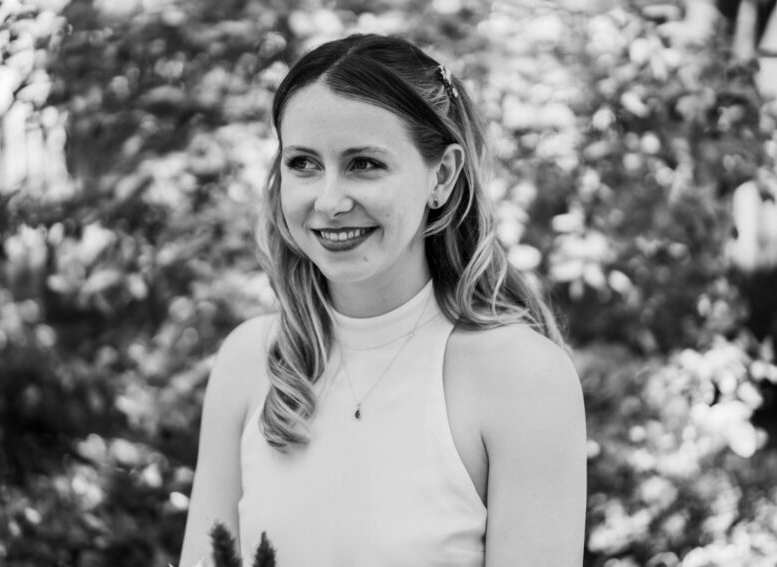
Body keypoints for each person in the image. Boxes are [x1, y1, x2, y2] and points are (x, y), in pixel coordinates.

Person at [179, 33, 586, 567]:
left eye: (364, 164)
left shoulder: (524, 378)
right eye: (303, 163)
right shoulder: (250, 360)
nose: (329, 201)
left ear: (441, 175)